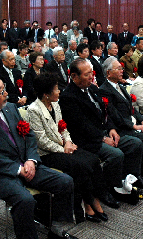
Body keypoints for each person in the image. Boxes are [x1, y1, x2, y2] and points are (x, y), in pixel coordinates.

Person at [0, 71, 77, 239]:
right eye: (1, 91)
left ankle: (56, 227)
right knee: (25, 199)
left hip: (26, 163)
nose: (7, 93)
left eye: (5, 88)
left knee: (65, 181)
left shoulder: (10, 108)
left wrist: (31, 160)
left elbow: (30, 136)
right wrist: (18, 169)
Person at [59, 58, 143, 205]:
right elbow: (82, 126)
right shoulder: (68, 97)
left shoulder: (93, 89)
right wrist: (103, 138)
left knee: (135, 143)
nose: (91, 77)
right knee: (116, 154)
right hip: (88, 140)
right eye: (86, 74)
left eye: (92, 73)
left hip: (104, 132)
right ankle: (108, 190)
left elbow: (105, 112)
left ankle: (130, 178)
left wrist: (111, 129)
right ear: (74, 76)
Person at [26, 73, 111, 223]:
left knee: (92, 160)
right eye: (56, 89)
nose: (59, 92)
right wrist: (63, 149)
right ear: (46, 94)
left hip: (64, 147)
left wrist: (68, 143)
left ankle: (95, 198)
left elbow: (63, 127)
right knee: (80, 166)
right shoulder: (34, 110)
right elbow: (42, 141)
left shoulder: (55, 104)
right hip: (48, 153)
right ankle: (87, 203)